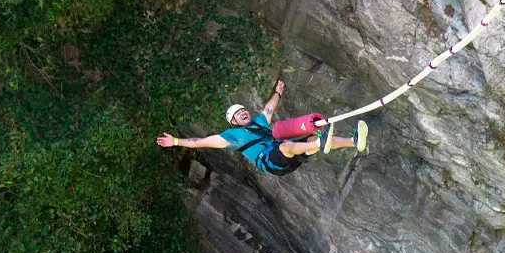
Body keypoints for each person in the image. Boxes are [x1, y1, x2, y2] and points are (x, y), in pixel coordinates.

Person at [156, 81, 368, 176]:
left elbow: (269, 108)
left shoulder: (259, 122)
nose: (243, 113)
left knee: (310, 138)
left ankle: (353, 141)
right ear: (233, 122)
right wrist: (176, 141)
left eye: (243, 110)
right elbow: (200, 142)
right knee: (287, 145)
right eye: (238, 114)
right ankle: (316, 144)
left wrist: (278, 92)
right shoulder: (231, 136)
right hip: (271, 162)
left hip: (288, 158)